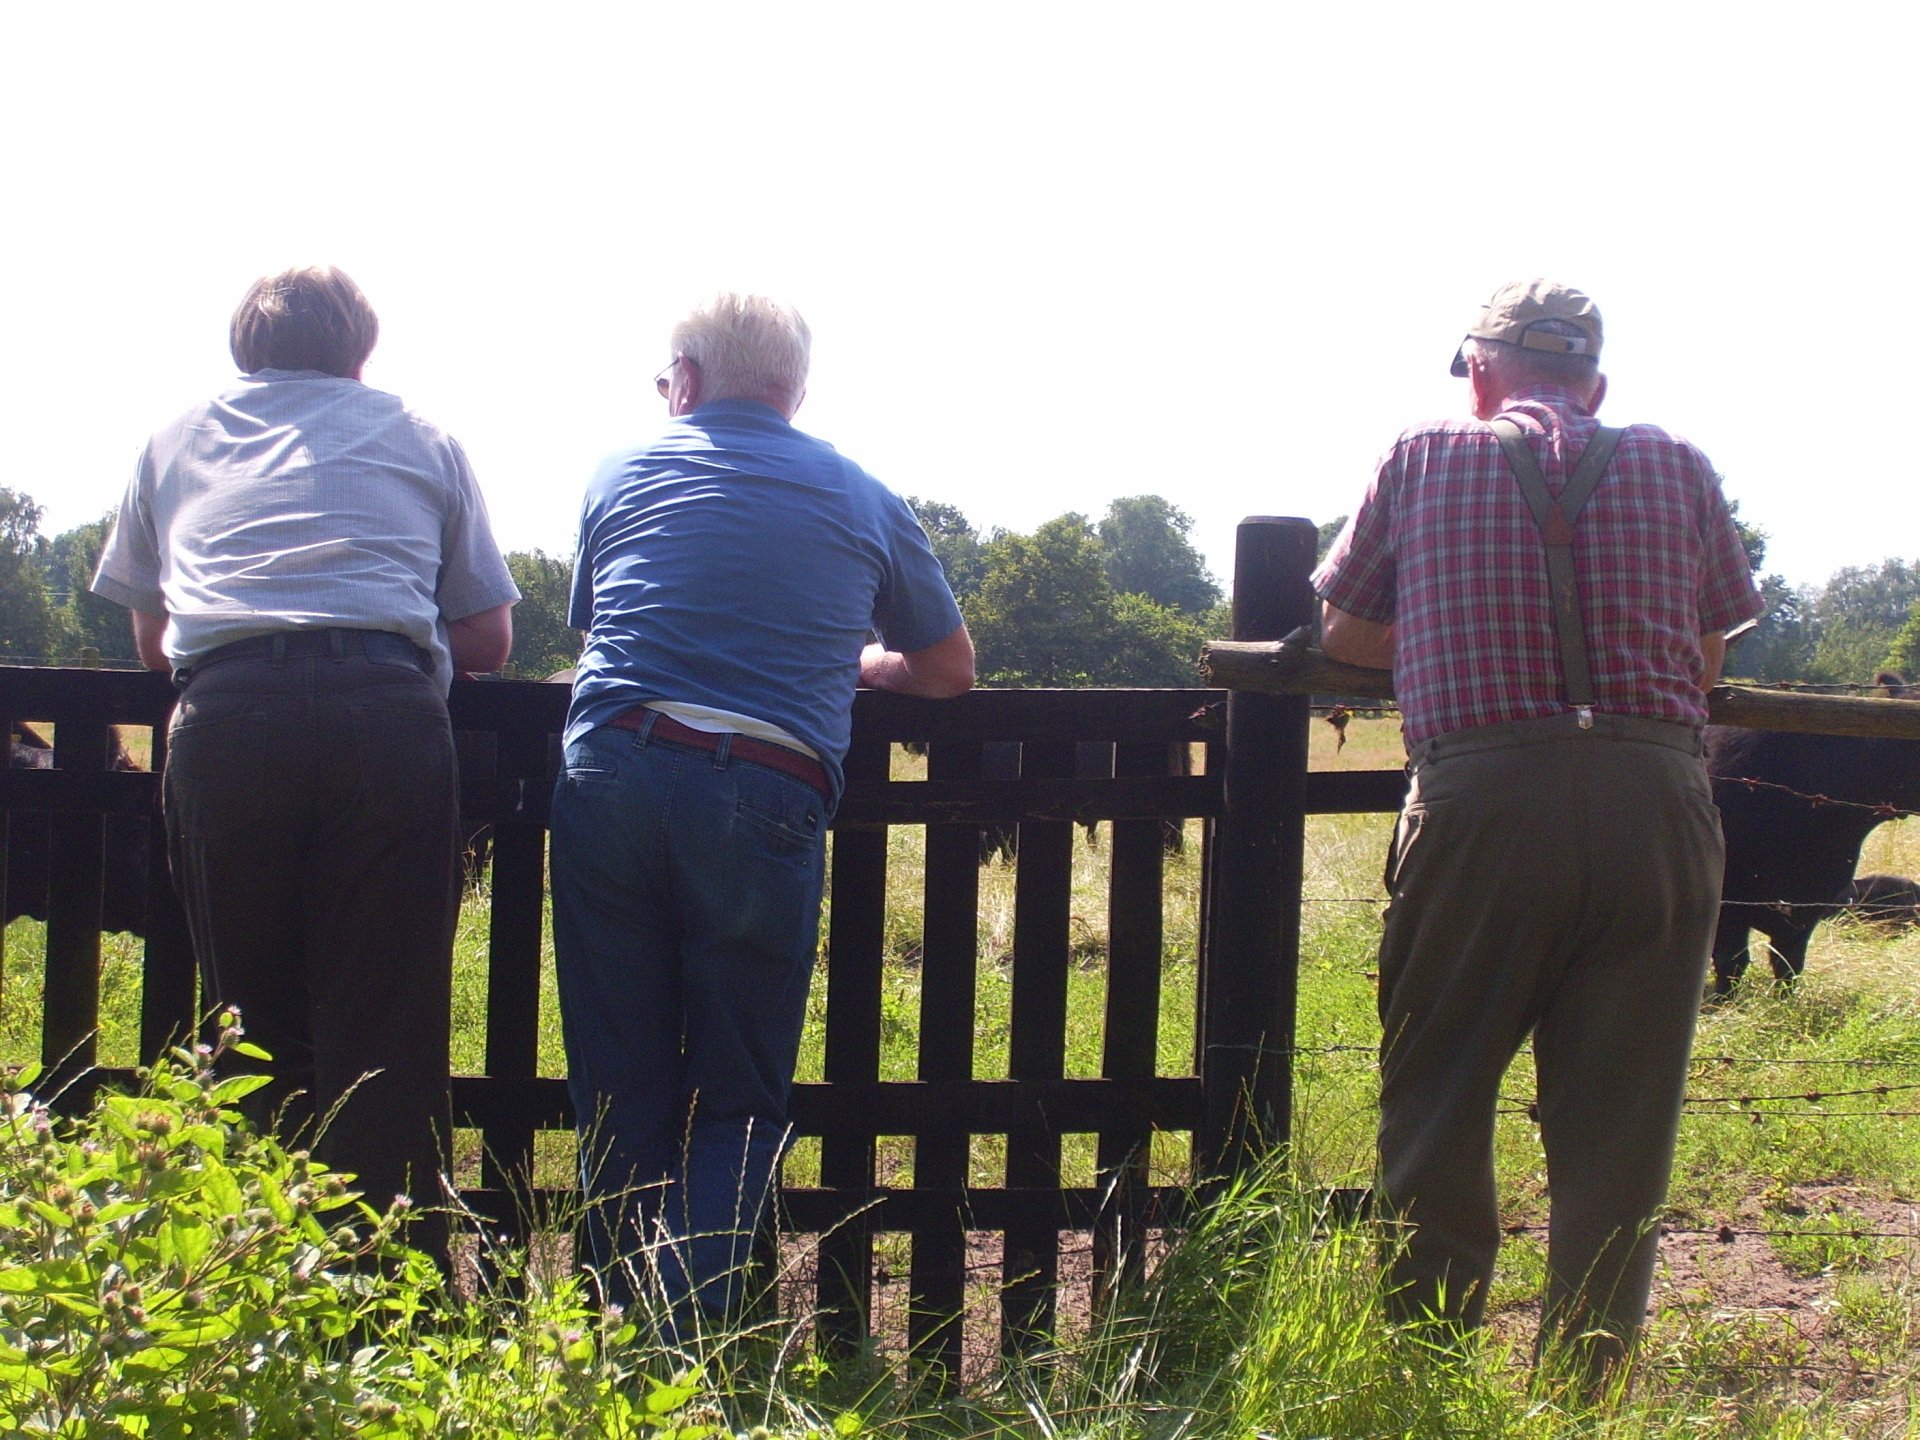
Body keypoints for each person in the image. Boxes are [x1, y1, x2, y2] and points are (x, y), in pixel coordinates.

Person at [1312, 279, 1762, 1373]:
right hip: (1658, 803)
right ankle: (1583, 1382)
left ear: (1479, 374)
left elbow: (1349, 632)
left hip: (1483, 799)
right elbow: (1708, 658)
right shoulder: (1680, 465)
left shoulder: (1422, 456)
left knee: (1441, 1091)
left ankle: (1425, 1362)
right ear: (1595, 384)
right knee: (1622, 1121)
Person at [551, 292, 974, 1333]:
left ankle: (605, 1339)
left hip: (614, 770)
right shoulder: (864, 494)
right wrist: (861, 660)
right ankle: (687, 1344)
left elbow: (599, 625)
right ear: (796, 392)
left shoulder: (621, 472)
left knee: (618, 1078)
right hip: (768, 789)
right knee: (740, 1096)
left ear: (684, 381)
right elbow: (949, 669)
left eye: (664, 384)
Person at [91, 265, 520, 1272]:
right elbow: (490, 638)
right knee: (383, 1018)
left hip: (230, 720)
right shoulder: (422, 436)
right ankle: (372, 1282)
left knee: (246, 1015)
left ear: (244, 345)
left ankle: (263, 1277)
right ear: (358, 348)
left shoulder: (172, 439)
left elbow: (154, 640)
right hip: (388, 722)